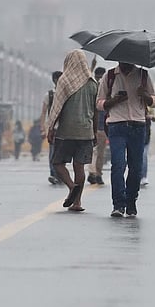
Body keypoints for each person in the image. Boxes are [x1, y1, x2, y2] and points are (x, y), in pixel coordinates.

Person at [97, 60, 155, 218]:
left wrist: (145, 96)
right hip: (116, 125)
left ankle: (131, 202)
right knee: (118, 165)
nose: (124, 64)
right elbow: (99, 103)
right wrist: (114, 100)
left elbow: (154, 100)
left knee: (136, 167)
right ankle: (118, 204)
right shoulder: (110, 76)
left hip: (138, 126)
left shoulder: (143, 75)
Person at [44, 49, 98, 213]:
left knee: (57, 163)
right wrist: (94, 131)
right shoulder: (92, 83)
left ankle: (71, 186)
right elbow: (95, 111)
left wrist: (51, 127)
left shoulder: (64, 81)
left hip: (66, 131)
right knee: (79, 167)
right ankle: (77, 202)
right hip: (86, 131)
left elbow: (57, 107)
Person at [39, 71, 63, 184]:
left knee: (62, 152)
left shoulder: (67, 93)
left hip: (65, 128)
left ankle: (61, 174)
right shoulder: (49, 95)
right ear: (55, 80)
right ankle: (53, 174)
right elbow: (44, 112)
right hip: (53, 129)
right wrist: (42, 128)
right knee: (53, 152)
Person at [86, 64, 107, 186]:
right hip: (100, 126)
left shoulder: (92, 88)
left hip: (95, 125)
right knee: (98, 152)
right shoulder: (105, 90)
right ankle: (96, 174)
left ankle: (94, 173)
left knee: (95, 152)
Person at [141, 106, 155, 187]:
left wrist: (151, 117)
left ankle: (144, 177)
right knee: (135, 157)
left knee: (144, 156)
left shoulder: (149, 106)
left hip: (146, 135)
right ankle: (136, 176)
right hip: (135, 133)